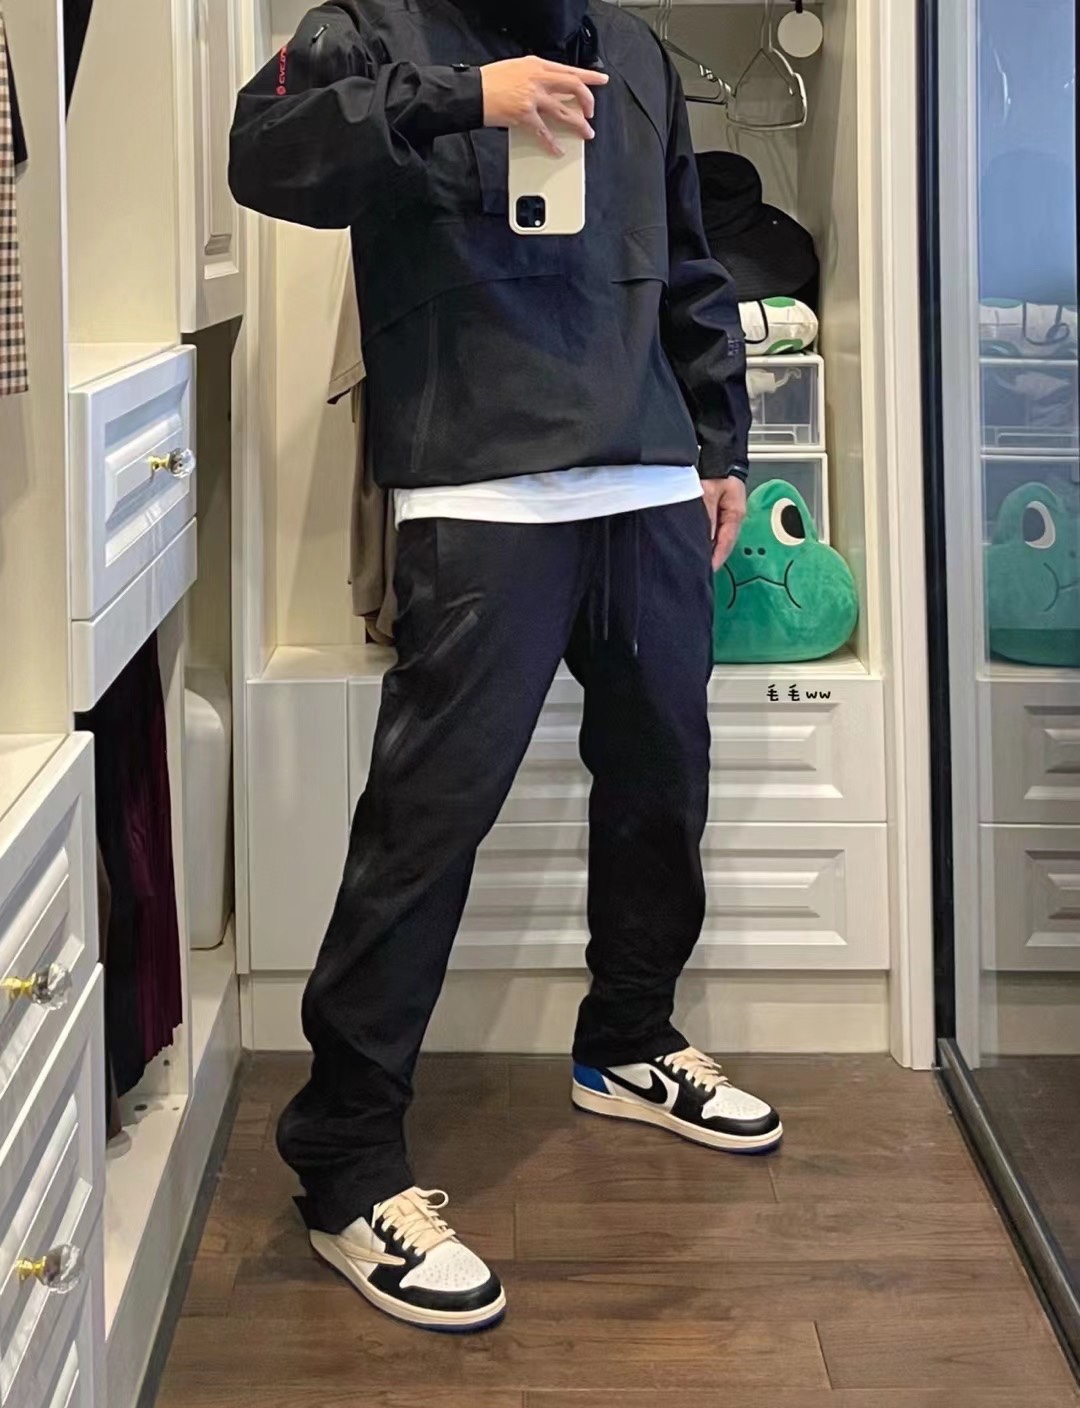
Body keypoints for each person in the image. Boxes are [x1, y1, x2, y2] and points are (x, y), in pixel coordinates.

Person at [230, 0, 782, 1334]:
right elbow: (264, 156)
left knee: (663, 780)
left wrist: (718, 442)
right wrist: (457, 100)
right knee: (428, 823)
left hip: (646, 472)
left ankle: (630, 1042)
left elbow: (687, 254)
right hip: (479, 482)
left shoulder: (634, 50)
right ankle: (346, 1161)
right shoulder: (372, 25)